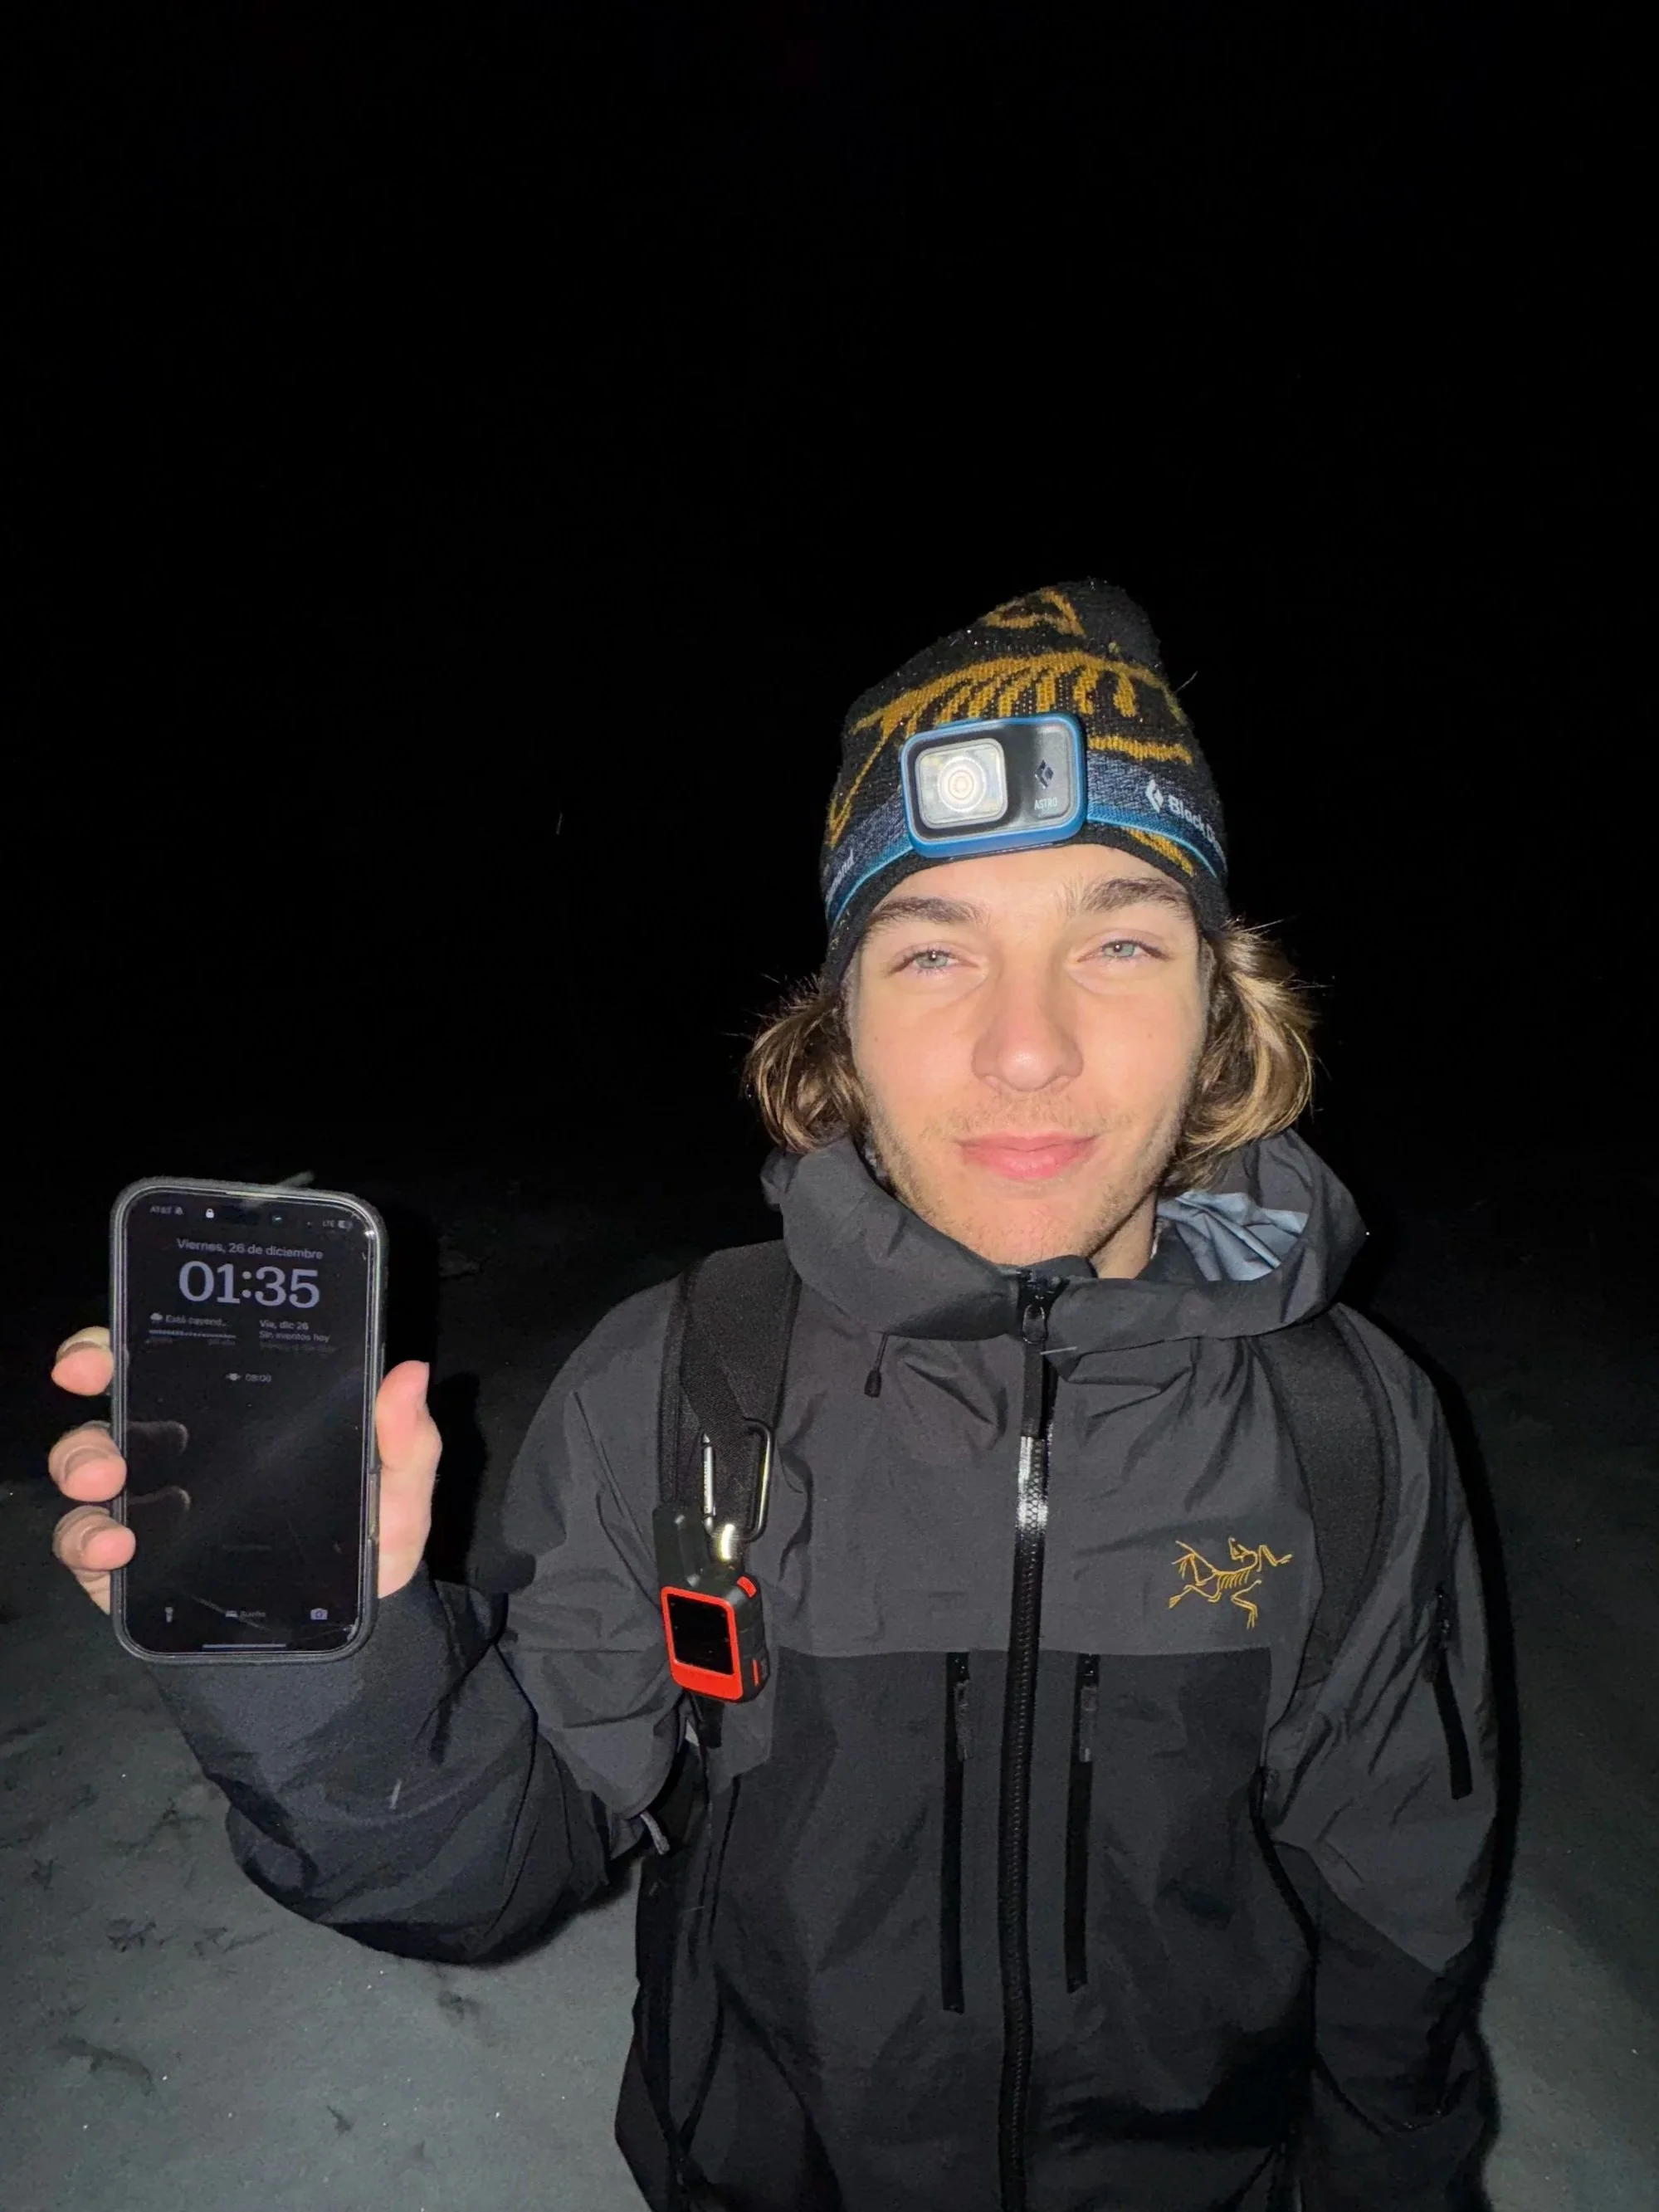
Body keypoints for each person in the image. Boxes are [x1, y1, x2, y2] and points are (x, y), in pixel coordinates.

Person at [48, 580, 1497, 2212]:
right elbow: (483, 1867)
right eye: (933, 950)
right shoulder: (688, 1383)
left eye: (1117, 942)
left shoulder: (1345, 1424)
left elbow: (1400, 1917)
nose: (1028, 1048)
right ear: (841, 1026)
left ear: (1219, 1007)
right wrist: (323, 1662)